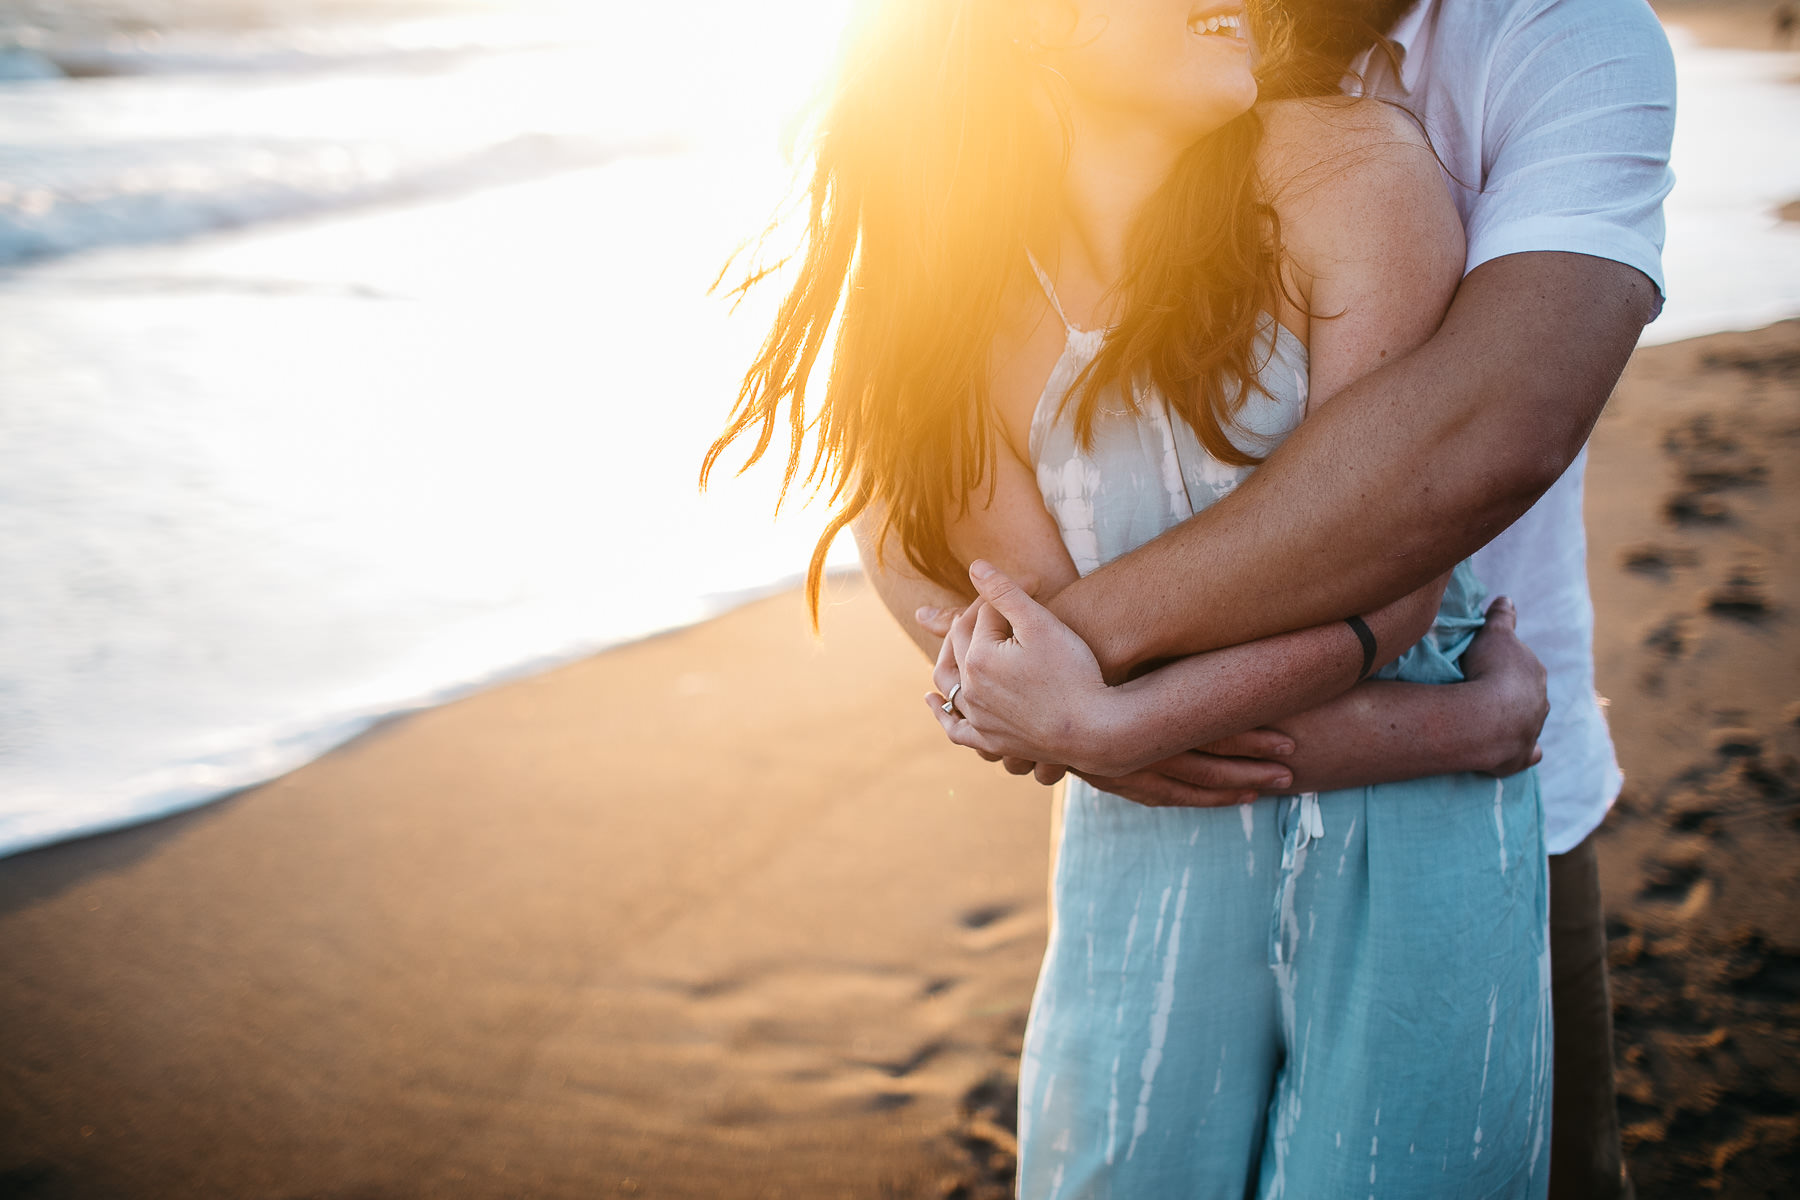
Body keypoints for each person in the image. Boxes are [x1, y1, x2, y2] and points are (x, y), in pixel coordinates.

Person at [706, 1, 1560, 1193]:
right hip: (1163, 844)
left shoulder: (1347, 166)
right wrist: (1464, 726)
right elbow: (1059, 664)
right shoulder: (951, 290)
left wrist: (1107, 727)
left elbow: (1394, 578)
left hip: (1408, 849)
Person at [902, 1, 1676, 1197]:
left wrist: (1074, 695)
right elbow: (906, 521)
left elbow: (1455, 471)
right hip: (1199, 816)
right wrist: (1054, 698)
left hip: (1462, 794)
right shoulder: (983, 236)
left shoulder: (1540, 50)